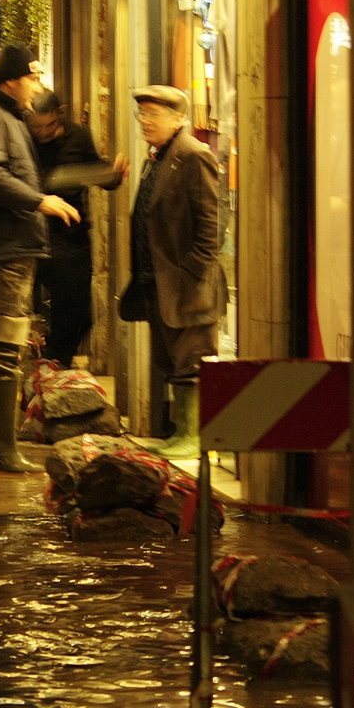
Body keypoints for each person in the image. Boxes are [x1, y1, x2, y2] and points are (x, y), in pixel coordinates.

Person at [0, 44, 80, 471]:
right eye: (34, 77)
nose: (39, 86)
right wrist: (38, 201)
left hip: (7, 246)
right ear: (12, 78)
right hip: (0, 248)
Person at [123, 85, 226, 458]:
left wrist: (192, 273)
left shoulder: (194, 156)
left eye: (153, 115)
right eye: (142, 115)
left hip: (187, 286)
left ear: (179, 118)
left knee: (192, 362)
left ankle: (196, 437)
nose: (145, 122)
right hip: (158, 284)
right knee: (173, 362)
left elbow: (212, 225)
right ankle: (184, 431)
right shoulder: (160, 157)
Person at [27, 89, 126, 367]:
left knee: (82, 312)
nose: (43, 132)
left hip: (74, 232)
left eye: (49, 125)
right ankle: (54, 360)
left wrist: (113, 175)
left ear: (60, 112)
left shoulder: (78, 136)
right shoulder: (23, 138)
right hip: (38, 230)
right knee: (60, 298)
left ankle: (56, 359)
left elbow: (97, 171)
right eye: (37, 126)